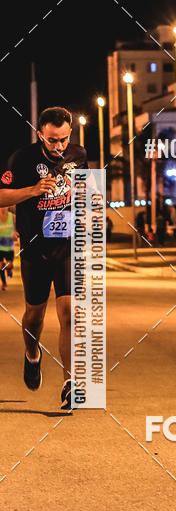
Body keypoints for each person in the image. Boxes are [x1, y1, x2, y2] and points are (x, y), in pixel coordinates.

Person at [0, 107, 87, 409]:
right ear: (40, 134)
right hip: (35, 251)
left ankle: (70, 384)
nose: (58, 146)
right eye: (52, 140)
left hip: (66, 247)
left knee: (70, 314)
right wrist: (33, 190)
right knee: (34, 318)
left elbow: (82, 191)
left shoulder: (78, 155)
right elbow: (1, 195)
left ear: (70, 135)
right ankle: (32, 354)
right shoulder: (21, 159)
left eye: (63, 139)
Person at [0, 206, 17, 290]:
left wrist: (15, 233)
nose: (3, 208)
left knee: (9, 265)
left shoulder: (13, 217)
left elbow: (17, 228)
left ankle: (9, 270)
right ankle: (4, 283)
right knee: (0, 266)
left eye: (5, 206)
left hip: (9, 246)